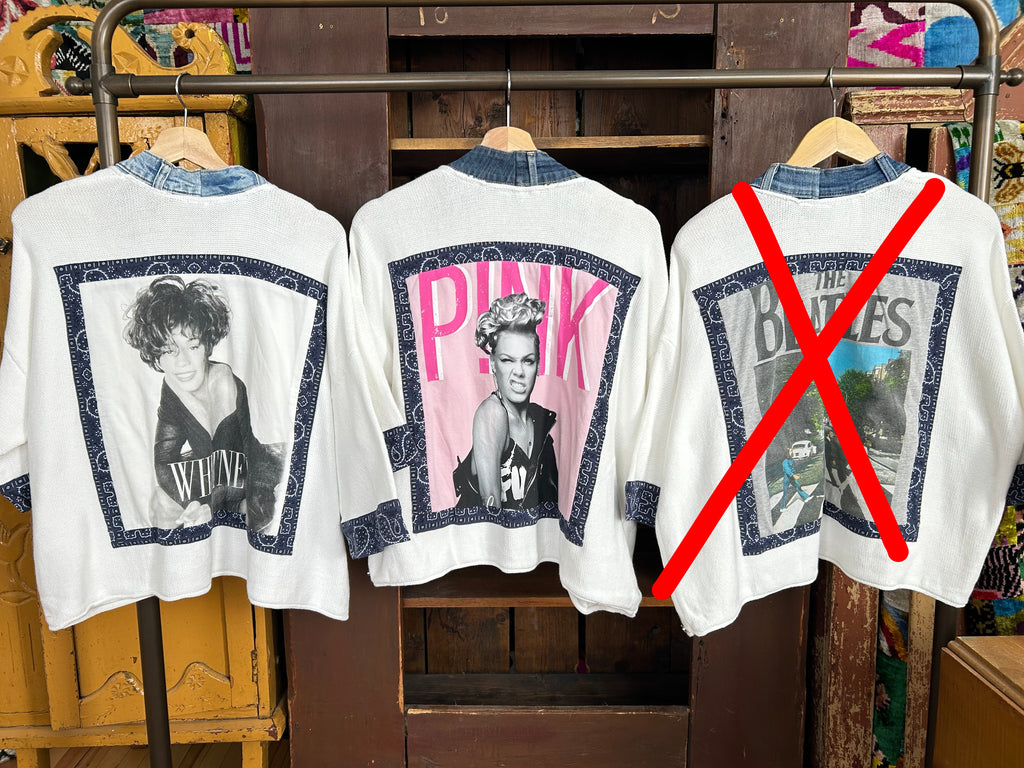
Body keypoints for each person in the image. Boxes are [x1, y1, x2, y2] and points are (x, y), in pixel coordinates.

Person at [124, 275, 283, 532]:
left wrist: (209, 505)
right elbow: (164, 461)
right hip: (209, 473)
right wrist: (193, 503)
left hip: (249, 469)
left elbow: (238, 464)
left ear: (207, 346)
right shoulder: (172, 386)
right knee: (160, 503)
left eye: (193, 346)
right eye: (168, 350)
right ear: (156, 354)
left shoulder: (224, 381)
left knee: (253, 511)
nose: (182, 363)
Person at [453, 292, 558, 510]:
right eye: (507, 360)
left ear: (538, 365)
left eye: (527, 361)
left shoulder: (542, 424)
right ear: (493, 364)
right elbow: (490, 510)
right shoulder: (493, 413)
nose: (518, 372)